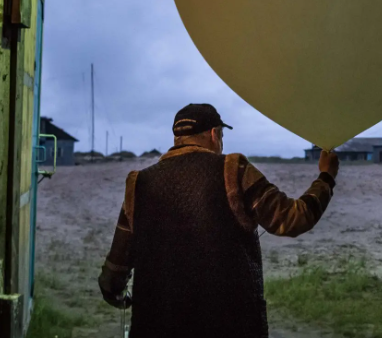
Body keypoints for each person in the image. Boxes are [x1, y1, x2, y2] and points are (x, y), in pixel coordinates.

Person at [98, 103, 340, 338]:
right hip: (230, 323)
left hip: (156, 324)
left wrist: (120, 298)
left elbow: (114, 272)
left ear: (177, 138)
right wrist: (326, 177)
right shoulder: (234, 169)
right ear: (215, 134)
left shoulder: (139, 184)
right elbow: (293, 218)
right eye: (222, 136)